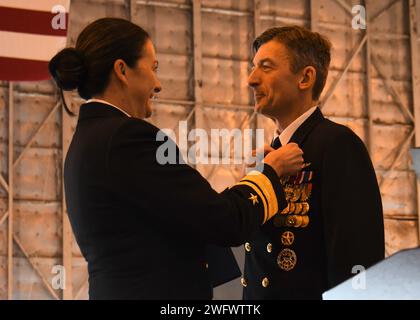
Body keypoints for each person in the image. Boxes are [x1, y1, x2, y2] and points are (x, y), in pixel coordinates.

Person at [48, 18, 305, 300]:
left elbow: (184, 215)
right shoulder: (128, 137)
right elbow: (223, 221)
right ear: (122, 70)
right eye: (153, 68)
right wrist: (269, 172)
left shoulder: (87, 141)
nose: (158, 85)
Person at [242, 26, 385, 300]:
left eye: (266, 67)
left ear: (305, 77)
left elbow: (356, 259)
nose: (251, 79)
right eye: (253, 67)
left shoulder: (337, 145)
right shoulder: (270, 156)